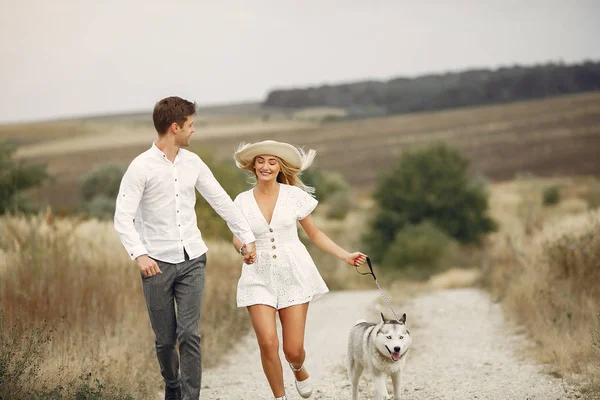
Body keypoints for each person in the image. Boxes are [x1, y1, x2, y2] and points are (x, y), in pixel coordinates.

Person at [113, 96, 257, 400]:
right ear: (175, 127)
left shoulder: (194, 163)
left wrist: (246, 236)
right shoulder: (141, 168)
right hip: (156, 265)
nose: (194, 131)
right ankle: (173, 385)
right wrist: (140, 255)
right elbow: (122, 218)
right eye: (190, 125)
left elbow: (221, 201)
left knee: (189, 334)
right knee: (165, 341)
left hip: (193, 259)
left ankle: (191, 397)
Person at [231, 140, 367, 400]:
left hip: (293, 273)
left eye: (272, 162)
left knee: (293, 349)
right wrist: (243, 249)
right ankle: (280, 397)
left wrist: (346, 255)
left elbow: (315, 234)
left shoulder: (294, 196)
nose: (265, 166)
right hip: (257, 276)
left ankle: (298, 367)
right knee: (268, 343)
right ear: (253, 166)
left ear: (280, 167)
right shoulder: (242, 201)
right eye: (260, 161)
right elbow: (238, 237)